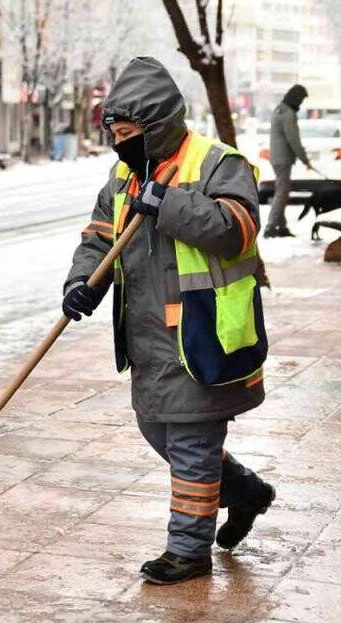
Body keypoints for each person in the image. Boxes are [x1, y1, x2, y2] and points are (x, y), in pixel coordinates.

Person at [61, 57, 275, 585]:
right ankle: (245, 491)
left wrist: (168, 202)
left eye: (127, 133)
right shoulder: (122, 176)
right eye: (113, 133)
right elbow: (98, 237)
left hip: (204, 336)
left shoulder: (218, 163)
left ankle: (187, 551)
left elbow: (237, 228)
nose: (118, 143)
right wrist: (81, 282)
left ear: (156, 126)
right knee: (161, 432)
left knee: (192, 446)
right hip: (149, 339)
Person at [265, 84, 313, 238]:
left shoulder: (279, 109)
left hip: (276, 157)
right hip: (283, 159)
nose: (301, 103)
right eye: (301, 100)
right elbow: (293, 140)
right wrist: (305, 160)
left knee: (282, 190)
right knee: (282, 193)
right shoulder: (289, 114)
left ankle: (281, 225)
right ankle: (271, 226)